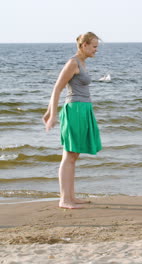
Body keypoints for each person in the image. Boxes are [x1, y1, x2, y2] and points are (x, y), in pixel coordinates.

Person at [42, 32, 102, 209]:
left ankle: (71, 196)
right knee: (69, 155)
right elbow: (57, 88)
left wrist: (47, 111)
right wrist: (53, 114)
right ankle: (64, 199)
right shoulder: (72, 63)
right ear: (84, 45)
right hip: (74, 110)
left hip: (83, 110)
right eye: (94, 46)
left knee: (74, 155)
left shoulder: (82, 63)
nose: (96, 50)